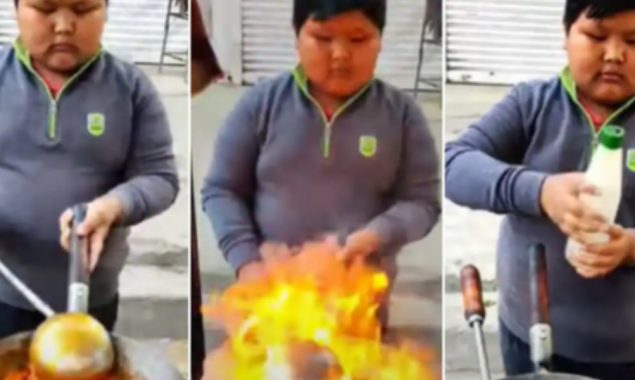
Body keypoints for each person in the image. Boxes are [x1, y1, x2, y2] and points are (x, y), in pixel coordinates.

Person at [202, 0, 440, 332]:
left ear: (380, 40)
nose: (340, 53)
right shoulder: (260, 105)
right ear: (297, 36)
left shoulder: (402, 116)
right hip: (271, 302)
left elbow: (423, 203)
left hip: (358, 308)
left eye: (358, 39)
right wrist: (246, 262)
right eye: (323, 38)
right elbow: (221, 190)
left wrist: (380, 233)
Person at [445, 1, 635, 379]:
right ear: (566, 36)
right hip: (526, 333)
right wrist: (539, 190)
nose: (614, 54)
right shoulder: (530, 104)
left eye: (633, 40)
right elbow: (454, 165)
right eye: (597, 35)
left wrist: (630, 247)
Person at [0, 0, 178, 338]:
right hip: (4, 293)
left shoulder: (130, 88)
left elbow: (160, 177)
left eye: (82, 10)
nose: (64, 25)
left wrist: (114, 206)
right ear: (15, 7)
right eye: (45, 9)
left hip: (92, 298)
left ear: (106, 10)